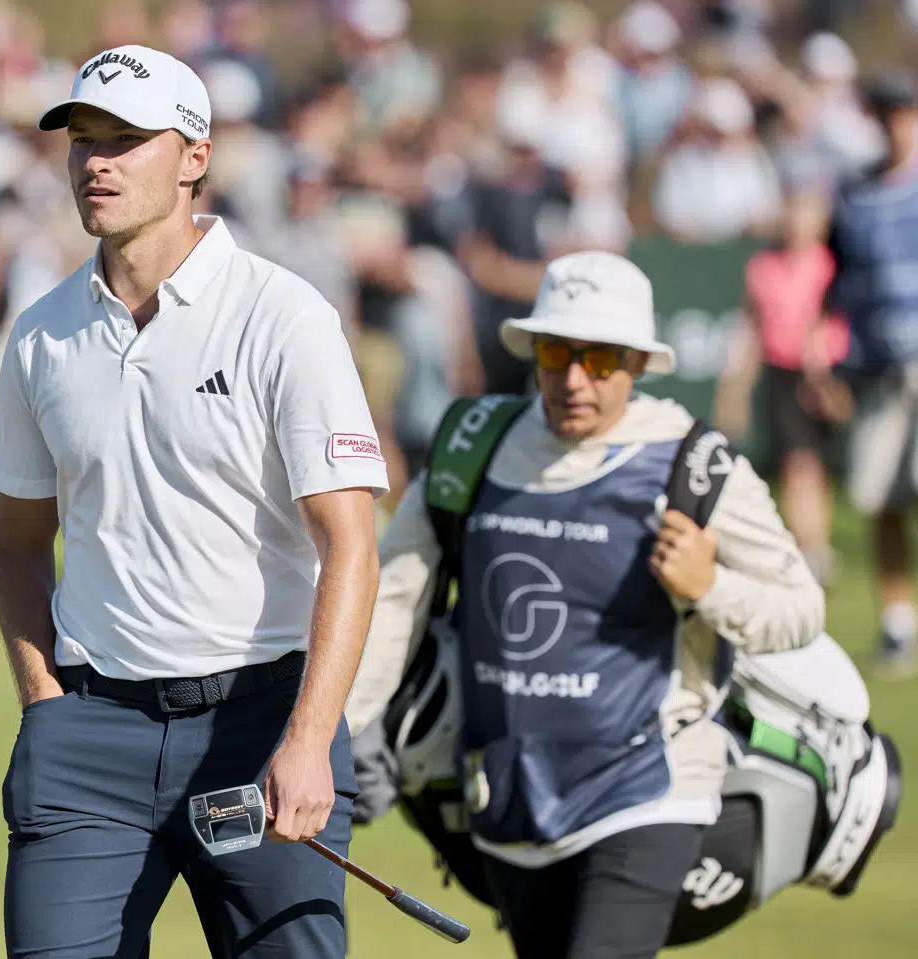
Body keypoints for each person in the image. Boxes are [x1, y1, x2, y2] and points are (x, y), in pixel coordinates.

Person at [0, 44, 389, 958]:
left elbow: (352, 544)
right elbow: (16, 546)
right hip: (88, 733)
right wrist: (45, 703)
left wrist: (310, 736)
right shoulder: (42, 334)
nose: (98, 161)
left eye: (127, 140)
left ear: (194, 158)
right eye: (84, 139)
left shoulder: (282, 316)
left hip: (262, 725)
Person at [343, 250, 826, 959]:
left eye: (599, 360)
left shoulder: (695, 462)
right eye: (556, 353)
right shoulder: (474, 445)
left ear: (637, 362)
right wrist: (351, 727)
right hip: (509, 794)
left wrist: (709, 586)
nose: (573, 379)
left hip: (651, 787)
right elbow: (395, 597)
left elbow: (800, 609)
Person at [824, 72, 918, 677]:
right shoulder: (854, 195)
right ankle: (897, 625)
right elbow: (837, 280)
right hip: (877, 368)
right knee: (879, 496)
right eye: (886, 111)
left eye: (904, 110)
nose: (895, 122)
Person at [713, 184, 850, 586]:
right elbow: (750, 328)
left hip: (826, 374)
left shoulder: (830, 265)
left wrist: (822, 370)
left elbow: (833, 318)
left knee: (816, 468)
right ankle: (810, 552)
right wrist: (735, 385)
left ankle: (816, 546)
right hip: (783, 376)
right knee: (797, 465)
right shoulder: (763, 267)